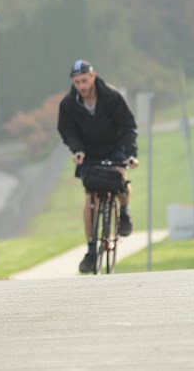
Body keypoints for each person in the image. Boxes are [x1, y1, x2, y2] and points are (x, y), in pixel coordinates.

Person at [57, 59, 139, 274]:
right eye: (77, 83)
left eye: (84, 80)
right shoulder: (68, 104)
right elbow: (67, 130)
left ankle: (124, 210)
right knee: (90, 197)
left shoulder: (112, 97)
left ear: (93, 77)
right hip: (89, 152)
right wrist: (77, 150)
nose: (81, 86)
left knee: (120, 179)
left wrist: (131, 154)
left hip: (115, 147)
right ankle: (92, 249)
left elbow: (128, 125)